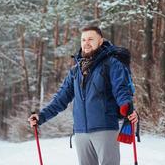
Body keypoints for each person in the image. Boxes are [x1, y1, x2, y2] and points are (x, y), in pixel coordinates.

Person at [28, 26, 138, 165]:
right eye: (83, 39)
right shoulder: (75, 71)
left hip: (105, 129)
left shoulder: (111, 64)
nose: (86, 43)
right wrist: (41, 116)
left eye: (91, 39)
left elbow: (120, 88)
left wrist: (126, 106)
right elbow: (61, 98)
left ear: (100, 41)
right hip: (81, 132)